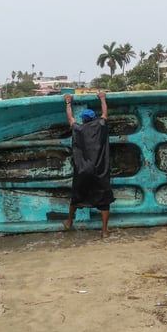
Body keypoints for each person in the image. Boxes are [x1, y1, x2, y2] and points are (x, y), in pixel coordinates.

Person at [63, 90, 115, 238]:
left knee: (77, 196)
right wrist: (102, 98)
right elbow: (105, 113)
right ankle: (104, 231)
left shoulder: (78, 128)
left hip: (82, 170)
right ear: (93, 118)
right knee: (104, 201)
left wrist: (68, 102)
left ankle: (69, 222)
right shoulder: (101, 125)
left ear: (84, 120)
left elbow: (70, 118)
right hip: (100, 170)